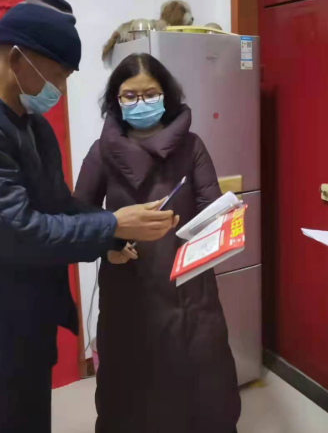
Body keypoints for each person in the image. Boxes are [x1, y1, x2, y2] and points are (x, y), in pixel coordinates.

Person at [0, 0, 178, 433]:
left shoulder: (34, 127)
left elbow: (60, 205)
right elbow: (19, 232)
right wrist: (111, 224)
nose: (61, 89)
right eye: (57, 75)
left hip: (33, 321)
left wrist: (116, 233)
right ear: (17, 58)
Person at [74, 53, 240, 433]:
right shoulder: (102, 152)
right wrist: (109, 244)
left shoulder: (191, 146)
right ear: (116, 100)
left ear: (166, 95)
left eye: (150, 94)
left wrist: (224, 221)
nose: (140, 103)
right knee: (131, 386)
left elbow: (212, 207)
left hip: (188, 283)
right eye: (129, 96)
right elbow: (78, 216)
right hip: (127, 284)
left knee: (201, 382)